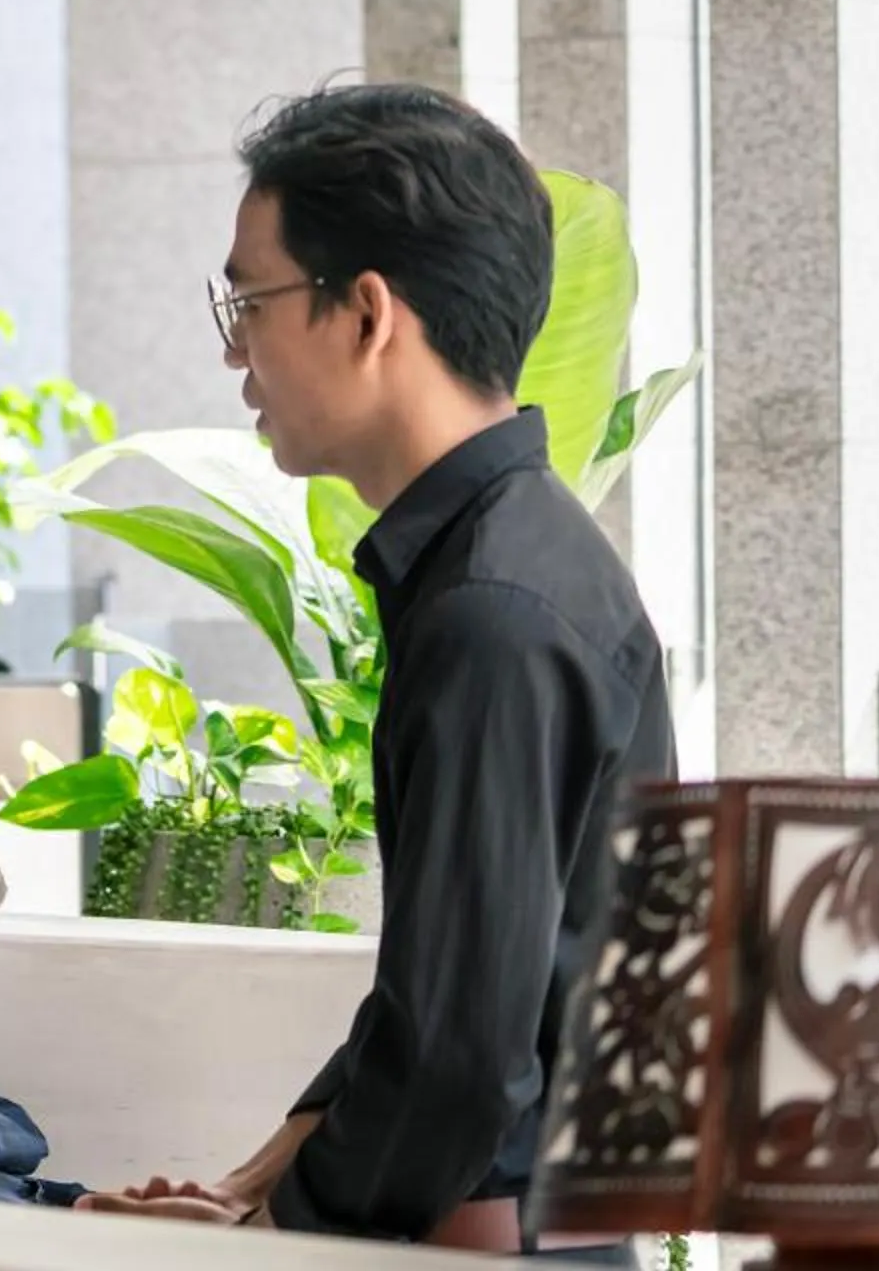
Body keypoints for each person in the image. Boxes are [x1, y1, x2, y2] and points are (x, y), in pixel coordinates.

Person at [82, 83, 675, 1257]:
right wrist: (258, 1177)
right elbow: (444, 991)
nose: (231, 345)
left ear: (366, 313)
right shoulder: (500, 559)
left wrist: (268, 1232)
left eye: (249, 299)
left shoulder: (495, 612)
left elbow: (461, 1058)